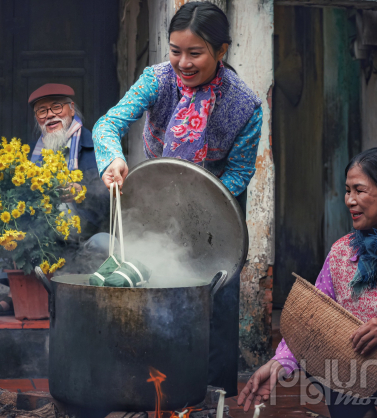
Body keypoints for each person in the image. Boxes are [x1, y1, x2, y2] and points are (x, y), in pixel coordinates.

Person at [92, 2, 263, 396]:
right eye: (175, 50)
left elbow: (239, 172)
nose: (182, 62)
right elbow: (109, 123)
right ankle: (151, 381)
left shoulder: (245, 105)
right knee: (150, 282)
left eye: (195, 52)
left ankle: (210, 395)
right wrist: (113, 158)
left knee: (216, 295)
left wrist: (196, 213)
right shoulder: (157, 80)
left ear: (221, 51)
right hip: (157, 193)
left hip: (218, 203)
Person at [238, 148, 377, 418]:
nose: (349, 200)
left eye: (359, 190)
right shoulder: (342, 253)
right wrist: (280, 363)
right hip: (357, 372)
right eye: (347, 190)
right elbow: (313, 320)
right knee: (329, 362)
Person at [0, 83, 110, 316]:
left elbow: (109, 195)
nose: (50, 114)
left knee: (107, 243)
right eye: (42, 111)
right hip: (44, 238)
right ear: (37, 118)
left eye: (56, 107)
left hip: (84, 238)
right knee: (13, 221)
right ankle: (16, 294)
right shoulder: (32, 153)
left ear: (72, 110)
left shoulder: (97, 145)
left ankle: (89, 301)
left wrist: (83, 191)